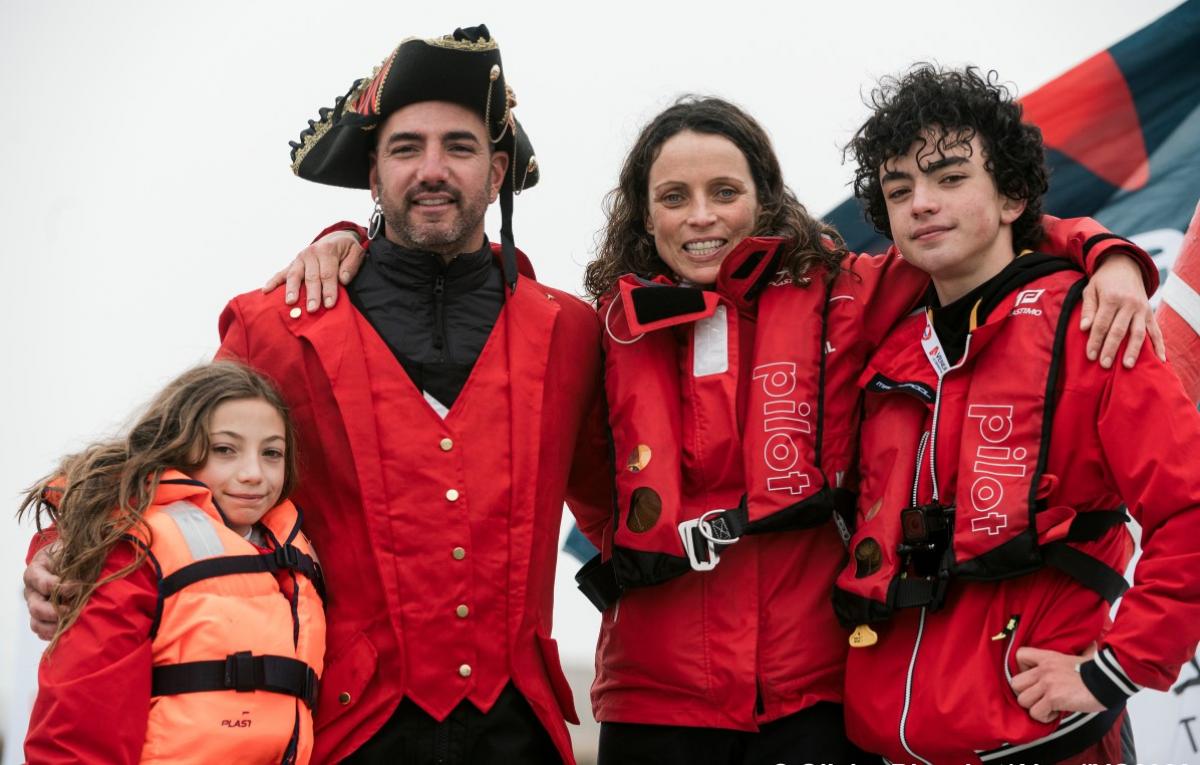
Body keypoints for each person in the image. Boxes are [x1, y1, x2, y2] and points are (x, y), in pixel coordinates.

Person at [271, 95, 1159, 762]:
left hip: (815, 695)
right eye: (675, 196)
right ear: (642, 213)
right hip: (652, 707)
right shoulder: (593, 335)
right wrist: (349, 236)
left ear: (763, 197)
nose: (701, 216)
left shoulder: (848, 296)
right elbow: (465, 318)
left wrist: (1106, 253)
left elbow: (977, 237)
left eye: (725, 191)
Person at [23, 24, 609, 765]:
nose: (432, 169)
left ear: (496, 173)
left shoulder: (574, 333)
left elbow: (626, 507)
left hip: (520, 731)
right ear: (372, 174)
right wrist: (59, 550)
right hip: (339, 728)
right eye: (405, 148)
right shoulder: (275, 326)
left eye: (459, 148)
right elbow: (162, 479)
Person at [833, 64, 1200, 763]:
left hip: (1041, 744)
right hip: (884, 746)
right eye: (899, 188)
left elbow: (1190, 509)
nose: (921, 203)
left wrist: (1117, 668)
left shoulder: (1094, 326)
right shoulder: (885, 358)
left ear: (1013, 196)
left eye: (948, 177)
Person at [20, 361, 325, 764]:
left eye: (272, 453)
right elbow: (78, 724)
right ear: (176, 449)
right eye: (224, 450)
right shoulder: (133, 552)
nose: (253, 473)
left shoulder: (293, 556)